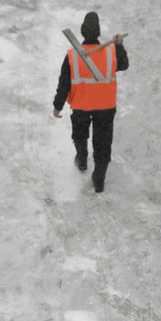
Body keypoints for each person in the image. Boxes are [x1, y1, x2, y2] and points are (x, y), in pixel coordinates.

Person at [53, 11, 129, 192]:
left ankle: (81, 160)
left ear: (82, 32)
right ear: (98, 32)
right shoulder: (110, 52)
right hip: (105, 106)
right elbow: (124, 64)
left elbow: (64, 83)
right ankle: (99, 180)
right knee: (103, 144)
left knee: (80, 135)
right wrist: (119, 46)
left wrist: (57, 106)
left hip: (81, 105)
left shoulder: (72, 55)